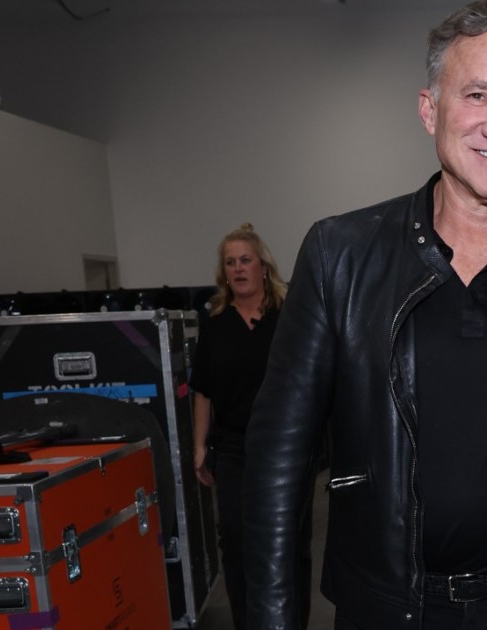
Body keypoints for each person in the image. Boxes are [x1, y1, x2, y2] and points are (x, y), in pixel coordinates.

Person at [241, 2, 487, 629]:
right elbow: (279, 461)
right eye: (477, 94)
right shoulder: (341, 256)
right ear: (430, 110)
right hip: (383, 608)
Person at [191, 223, 314, 630]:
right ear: (223, 273)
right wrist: (199, 447)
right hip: (233, 449)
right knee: (238, 543)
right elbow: (203, 391)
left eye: (246, 260)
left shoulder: (289, 315)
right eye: (230, 263)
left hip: (286, 448)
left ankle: (293, 622)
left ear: (263, 267)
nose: (238, 268)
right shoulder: (215, 324)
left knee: (289, 542)